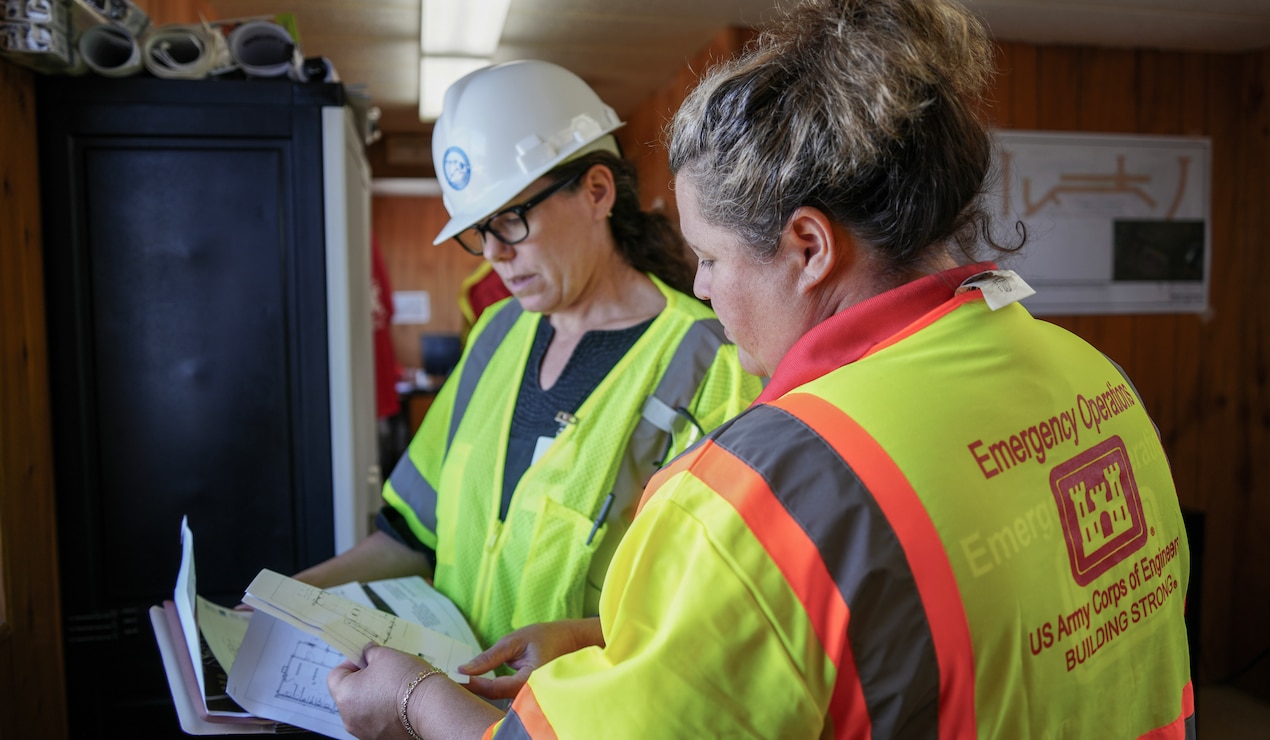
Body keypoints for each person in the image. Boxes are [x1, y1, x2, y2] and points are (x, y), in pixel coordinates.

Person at [326, 0, 1197, 737]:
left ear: (809, 247)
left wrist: (409, 698)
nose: (699, 287)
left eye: (707, 257)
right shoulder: (1090, 376)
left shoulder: (769, 485)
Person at [293, 59, 761, 659]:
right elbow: (412, 535)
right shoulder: (497, 333)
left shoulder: (708, 362)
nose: (493, 254)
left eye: (511, 220)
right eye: (479, 231)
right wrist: (289, 596)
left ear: (597, 191)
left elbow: (709, 608)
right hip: (451, 705)